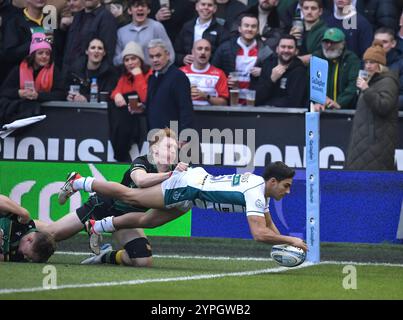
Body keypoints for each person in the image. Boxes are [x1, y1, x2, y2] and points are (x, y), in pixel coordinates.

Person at [58, 161, 308, 252]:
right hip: (189, 187)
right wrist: (292, 241)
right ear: (272, 182)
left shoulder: (260, 192)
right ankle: (80, 181)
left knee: (148, 222)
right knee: (132, 198)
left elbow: (269, 226)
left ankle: (96, 225)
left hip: (193, 194)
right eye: (285, 186)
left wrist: (285, 243)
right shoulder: (256, 190)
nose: (287, 191)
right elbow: (259, 234)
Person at [37, 128, 181, 267]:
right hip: (103, 206)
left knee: (143, 261)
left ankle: (105, 256)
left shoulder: (175, 174)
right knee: (52, 233)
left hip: (126, 219)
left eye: (175, 148)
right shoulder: (143, 162)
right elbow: (141, 180)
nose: (173, 151)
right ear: (154, 149)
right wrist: (169, 176)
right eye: (168, 146)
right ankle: (23, 224)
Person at [345, 39, 399, 171]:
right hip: (363, 142)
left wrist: (366, 90)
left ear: (380, 64)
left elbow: (383, 106)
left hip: (376, 143)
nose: (368, 66)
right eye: (366, 62)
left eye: (372, 62)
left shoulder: (388, 82)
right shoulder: (372, 81)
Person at [0, 32, 65, 125]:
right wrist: (19, 93)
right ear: (33, 55)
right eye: (40, 53)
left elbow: (61, 94)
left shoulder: (54, 71)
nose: (44, 56)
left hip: (46, 117)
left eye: (47, 53)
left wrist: (38, 96)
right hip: (19, 116)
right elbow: (4, 91)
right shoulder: (18, 69)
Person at [212, 14, 273, 104]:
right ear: (240, 28)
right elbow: (213, 72)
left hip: (254, 102)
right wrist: (225, 81)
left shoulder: (266, 51)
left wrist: (263, 72)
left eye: (253, 26)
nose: (249, 29)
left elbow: (273, 77)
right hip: (229, 100)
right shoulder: (225, 48)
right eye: (246, 25)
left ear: (257, 30)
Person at [109, 41, 152, 161]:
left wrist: (138, 76)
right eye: (126, 60)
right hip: (125, 122)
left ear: (141, 60)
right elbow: (115, 91)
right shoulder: (124, 77)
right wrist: (116, 95)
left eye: (133, 58)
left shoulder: (150, 74)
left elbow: (145, 97)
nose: (130, 63)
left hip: (142, 122)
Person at [146, 38, 194, 136]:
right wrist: (142, 107)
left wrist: (184, 137)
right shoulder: (152, 77)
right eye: (151, 56)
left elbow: (186, 109)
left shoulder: (178, 77)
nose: (155, 60)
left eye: (158, 56)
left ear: (167, 55)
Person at [113, 0, 175, 67]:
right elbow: (116, 61)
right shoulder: (121, 32)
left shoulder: (157, 27)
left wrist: (161, 74)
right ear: (130, 11)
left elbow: (170, 55)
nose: (140, 8)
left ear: (148, 10)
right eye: (136, 6)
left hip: (153, 75)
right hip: (130, 74)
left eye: (143, 6)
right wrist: (128, 52)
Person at [311, 27, 360, 110]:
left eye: (333, 42)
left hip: (345, 110)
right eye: (326, 42)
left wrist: (339, 103)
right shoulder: (317, 57)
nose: (329, 45)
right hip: (320, 109)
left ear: (343, 44)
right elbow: (313, 83)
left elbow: (352, 85)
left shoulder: (351, 59)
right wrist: (318, 100)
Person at [62, 0, 117, 74]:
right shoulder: (77, 16)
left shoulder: (106, 18)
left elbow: (108, 53)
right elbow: (69, 49)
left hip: (90, 77)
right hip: (69, 74)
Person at [0, 194, 56, 263]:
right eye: (27, 255)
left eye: (29, 259)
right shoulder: (22, 220)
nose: (25, 257)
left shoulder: (18, 256)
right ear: (29, 240)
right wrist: (22, 212)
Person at [255, 34, 307, 107]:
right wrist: (271, 80)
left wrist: (269, 105)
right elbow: (257, 97)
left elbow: (294, 101)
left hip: (287, 116)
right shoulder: (268, 65)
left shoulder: (300, 71)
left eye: (290, 47)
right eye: (283, 47)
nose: (286, 50)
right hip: (263, 113)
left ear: (296, 51)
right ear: (277, 49)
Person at [174, 0, 230, 67]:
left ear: (215, 9)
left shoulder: (221, 30)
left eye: (210, 5)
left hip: (211, 71)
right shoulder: (187, 27)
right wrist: (182, 58)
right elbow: (176, 51)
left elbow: (223, 55)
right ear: (197, 7)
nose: (206, 7)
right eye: (203, 4)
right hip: (188, 69)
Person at [66, 38, 119, 103]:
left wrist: (86, 99)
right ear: (86, 51)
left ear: (104, 53)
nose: (96, 51)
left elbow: (109, 95)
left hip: (101, 111)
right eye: (93, 48)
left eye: (100, 48)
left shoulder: (110, 73)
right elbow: (64, 91)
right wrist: (69, 97)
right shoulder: (75, 71)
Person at [180, 39, 229, 106]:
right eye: (199, 49)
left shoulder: (219, 74)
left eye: (207, 49)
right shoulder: (180, 73)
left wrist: (206, 96)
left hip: (209, 115)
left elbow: (224, 103)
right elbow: (171, 99)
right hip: (185, 114)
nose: (203, 52)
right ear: (192, 52)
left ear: (210, 53)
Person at [289, 0, 328, 65]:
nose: (309, 12)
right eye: (306, 8)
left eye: (313, 8)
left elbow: (321, 55)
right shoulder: (296, 28)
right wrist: (290, 39)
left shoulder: (325, 32)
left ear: (320, 11)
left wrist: (296, 61)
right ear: (301, 10)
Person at [373, 27, 403, 109]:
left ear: (393, 43)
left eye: (384, 42)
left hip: (392, 112)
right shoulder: (366, 61)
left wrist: (383, 103)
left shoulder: (400, 64)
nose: (380, 45)